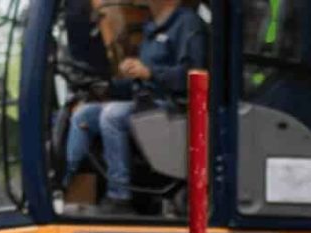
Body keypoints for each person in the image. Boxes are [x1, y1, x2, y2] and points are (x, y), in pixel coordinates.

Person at [64, 0, 208, 214]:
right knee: (84, 115)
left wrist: (150, 72)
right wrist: (106, 87)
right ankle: (65, 184)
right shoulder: (150, 26)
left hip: (174, 106)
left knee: (112, 116)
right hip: (144, 102)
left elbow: (197, 76)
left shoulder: (188, 24)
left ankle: (119, 197)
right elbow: (138, 84)